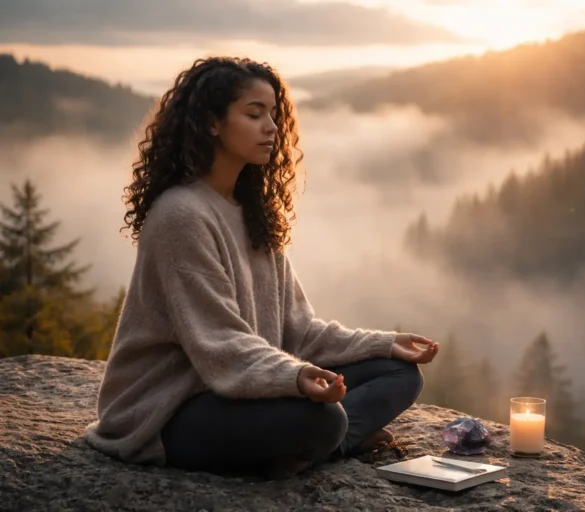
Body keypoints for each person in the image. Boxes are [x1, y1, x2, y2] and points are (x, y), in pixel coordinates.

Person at [83, 56, 439, 479]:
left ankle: (316, 450)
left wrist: (384, 343)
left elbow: (299, 331)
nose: (271, 126)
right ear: (212, 122)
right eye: (254, 114)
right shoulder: (181, 215)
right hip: (169, 411)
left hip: (241, 387)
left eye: (273, 114)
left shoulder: (251, 213)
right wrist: (295, 376)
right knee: (322, 419)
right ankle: (328, 443)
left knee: (398, 373)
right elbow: (220, 344)